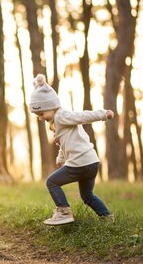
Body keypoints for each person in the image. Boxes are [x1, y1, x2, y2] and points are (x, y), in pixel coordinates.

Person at [29, 74, 113, 225]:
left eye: (41, 113)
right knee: (87, 196)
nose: (40, 118)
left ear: (52, 106)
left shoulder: (62, 116)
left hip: (80, 163)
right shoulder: (59, 121)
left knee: (52, 182)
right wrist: (61, 159)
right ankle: (107, 218)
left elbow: (82, 116)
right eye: (37, 115)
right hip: (92, 162)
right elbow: (64, 143)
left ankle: (64, 212)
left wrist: (103, 114)